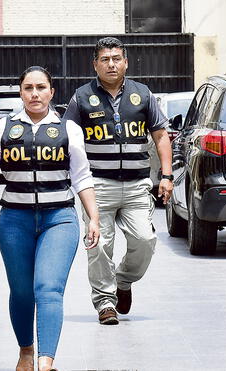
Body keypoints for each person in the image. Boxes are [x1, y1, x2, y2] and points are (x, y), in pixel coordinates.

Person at [0, 66, 99, 371]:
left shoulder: (69, 129)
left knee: (48, 288)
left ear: (52, 92)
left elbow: (81, 177)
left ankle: (45, 362)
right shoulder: (4, 127)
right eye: (28, 88)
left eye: (41, 88)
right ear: (21, 92)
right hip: (15, 221)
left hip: (60, 219)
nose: (35, 94)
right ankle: (26, 350)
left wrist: (93, 217)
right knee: (22, 291)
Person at [63, 37, 173, 325]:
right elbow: (69, 139)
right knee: (99, 244)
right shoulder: (81, 97)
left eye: (116, 58)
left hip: (138, 186)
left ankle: (123, 281)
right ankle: (105, 303)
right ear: (95, 64)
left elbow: (160, 135)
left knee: (145, 239)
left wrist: (167, 175)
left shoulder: (143, 94)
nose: (111, 63)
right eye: (104, 59)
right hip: (98, 186)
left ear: (125, 62)